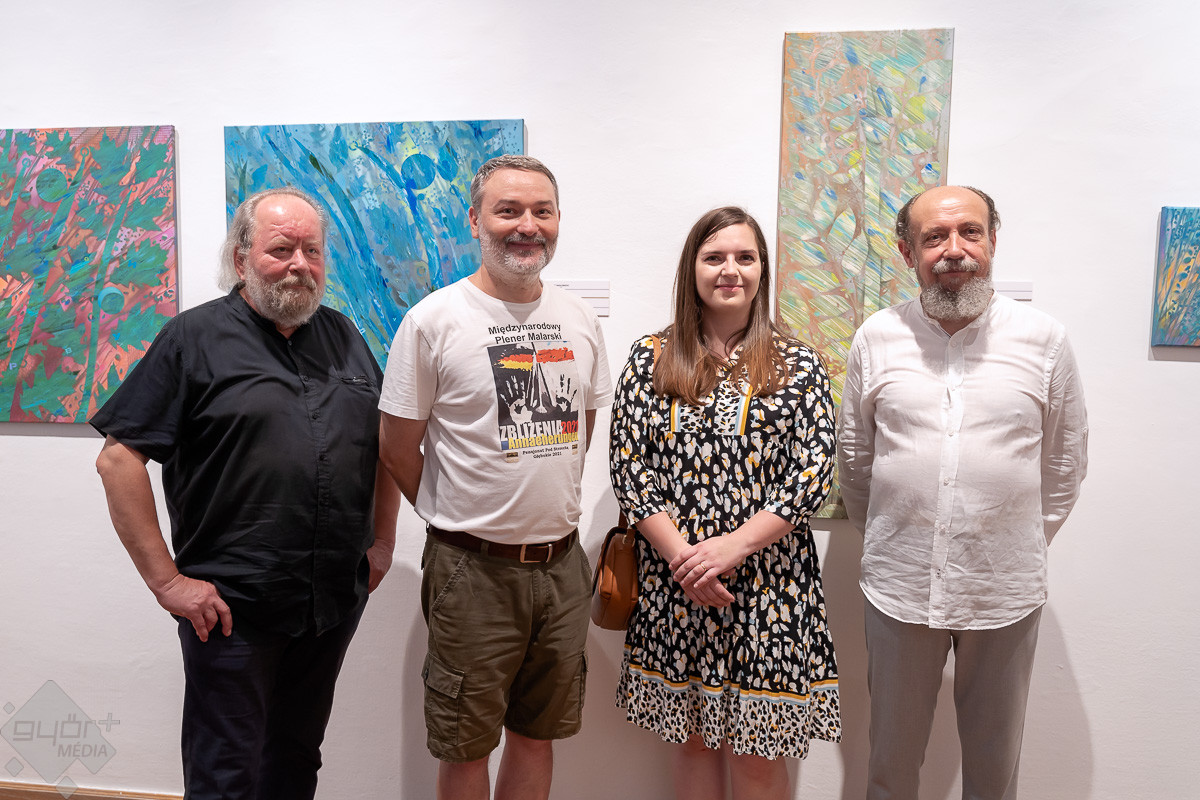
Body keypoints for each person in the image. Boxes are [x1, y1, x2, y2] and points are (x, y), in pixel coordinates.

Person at [91, 187, 399, 800]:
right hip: (233, 609)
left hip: (330, 602)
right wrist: (166, 582)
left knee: (295, 758)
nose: (299, 264)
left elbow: (384, 443)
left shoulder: (344, 335)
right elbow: (118, 460)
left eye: (312, 251)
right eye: (281, 249)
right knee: (225, 772)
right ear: (241, 258)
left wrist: (383, 542)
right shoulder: (193, 338)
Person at [837, 185, 1089, 800]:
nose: (955, 250)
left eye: (970, 232)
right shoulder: (876, 338)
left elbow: (1064, 466)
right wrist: (904, 531)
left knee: (993, 774)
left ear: (993, 241)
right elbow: (856, 462)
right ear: (908, 253)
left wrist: (1007, 537)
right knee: (889, 769)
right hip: (898, 587)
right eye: (935, 237)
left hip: (1004, 589)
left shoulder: (1045, 340)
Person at [378, 154, 612, 800]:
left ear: (558, 220)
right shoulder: (434, 320)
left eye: (542, 211)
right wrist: (457, 514)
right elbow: (396, 447)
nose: (526, 226)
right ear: (475, 219)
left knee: (539, 735)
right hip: (471, 572)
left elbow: (582, 432)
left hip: (562, 568)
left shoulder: (580, 319)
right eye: (508, 210)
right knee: (466, 744)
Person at [609, 207, 840, 800]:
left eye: (745, 257)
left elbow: (812, 475)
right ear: (693, 269)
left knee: (758, 754)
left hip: (769, 587)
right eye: (714, 257)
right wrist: (687, 561)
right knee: (693, 743)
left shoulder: (799, 363)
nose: (730, 270)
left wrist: (731, 549)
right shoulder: (651, 357)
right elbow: (629, 469)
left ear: (762, 270)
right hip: (675, 585)